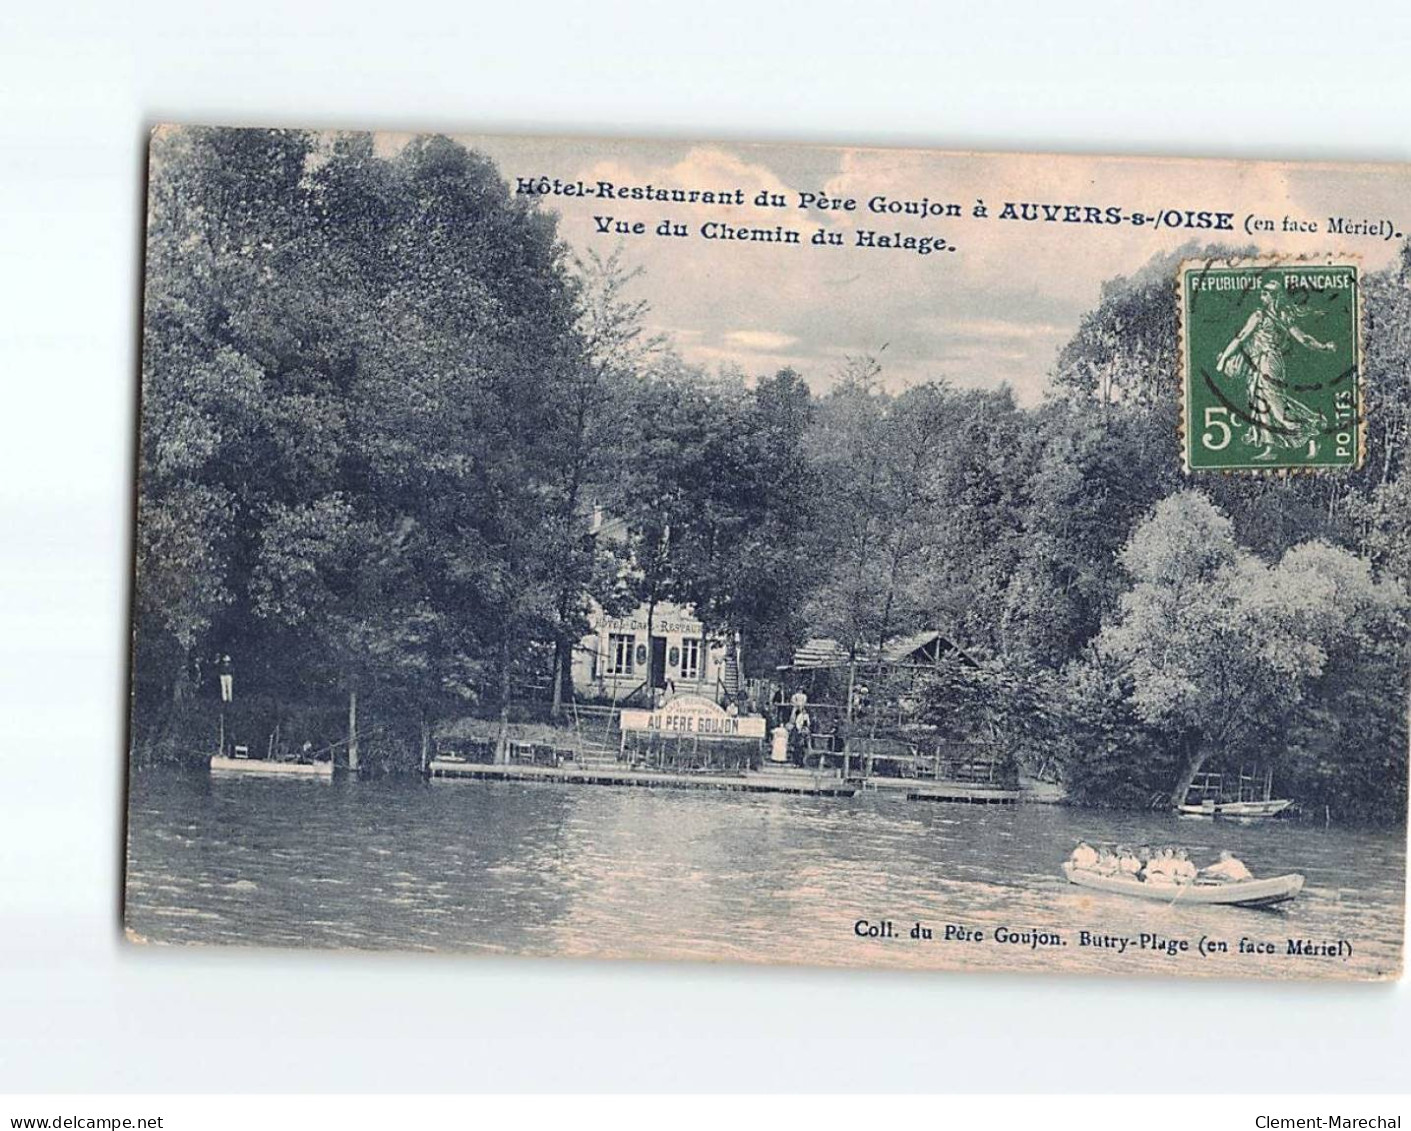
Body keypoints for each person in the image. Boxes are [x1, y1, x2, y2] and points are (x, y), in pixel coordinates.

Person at [1216, 278, 1335, 462]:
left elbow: (1303, 339)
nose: (1261, 295)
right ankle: (1270, 447)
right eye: (1262, 291)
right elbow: (1304, 339)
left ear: (1274, 296)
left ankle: (1312, 431)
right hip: (1261, 361)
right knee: (1260, 401)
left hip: (1268, 361)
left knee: (1276, 405)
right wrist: (1324, 347)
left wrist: (1324, 347)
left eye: (1266, 292)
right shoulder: (1278, 316)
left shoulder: (1263, 316)